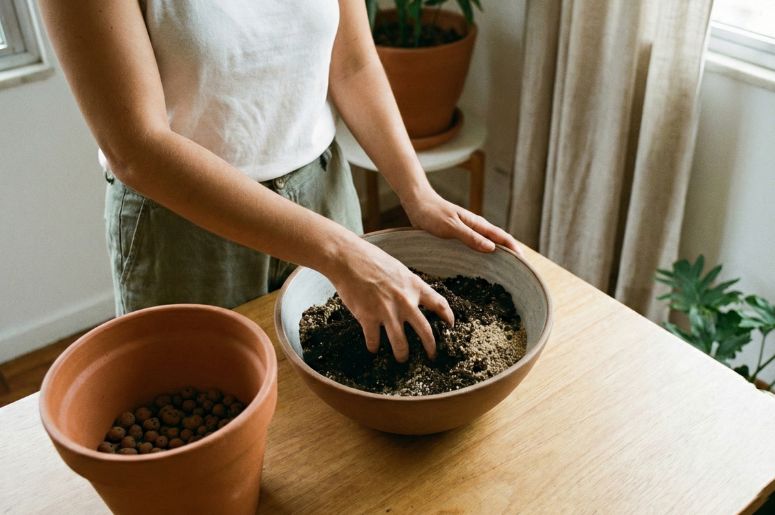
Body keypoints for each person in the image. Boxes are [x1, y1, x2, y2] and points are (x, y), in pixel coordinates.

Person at [39, 0, 520, 363]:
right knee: (209, 410)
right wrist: (340, 253)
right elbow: (135, 148)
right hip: (184, 229)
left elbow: (352, 63)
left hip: (324, 196)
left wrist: (418, 193)